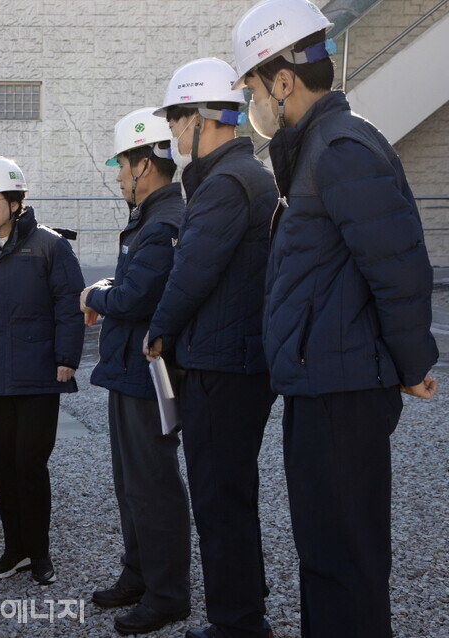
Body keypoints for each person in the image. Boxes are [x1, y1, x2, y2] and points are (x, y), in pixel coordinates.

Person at [231, 1, 439, 636]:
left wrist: (412, 364)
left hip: (343, 391)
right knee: (326, 554)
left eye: (252, 88)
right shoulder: (316, 147)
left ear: (283, 80)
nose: (252, 103)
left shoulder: (340, 147)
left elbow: (397, 263)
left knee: (344, 559)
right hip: (321, 381)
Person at [143, 57, 280, 638]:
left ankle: (237, 623)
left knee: (219, 500)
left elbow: (192, 271)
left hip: (222, 365)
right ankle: (246, 602)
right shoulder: (246, 176)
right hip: (239, 361)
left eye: (177, 119)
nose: (174, 132)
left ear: (204, 118)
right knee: (233, 494)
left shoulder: (225, 184)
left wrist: (158, 329)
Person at [0, 156, 85, 586]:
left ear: (15, 202)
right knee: (2, 468)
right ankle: (15, 550)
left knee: (30, 465)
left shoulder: (50, 246)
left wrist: (67, 358)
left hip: (40, 376)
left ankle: (39, 553)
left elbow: (69, 303)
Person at [81, 108, 191, 635]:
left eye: (122, 166)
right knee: (131, 482)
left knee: (153, 485)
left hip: (149, 374)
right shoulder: (150, 218)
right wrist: (107, 290)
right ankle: (139, 574)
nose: (120, 176)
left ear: (144, 164)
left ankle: (167, 595)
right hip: (130, 368)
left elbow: (134, 296)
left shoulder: (163, 222)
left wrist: (93, 295)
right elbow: (130, 285)